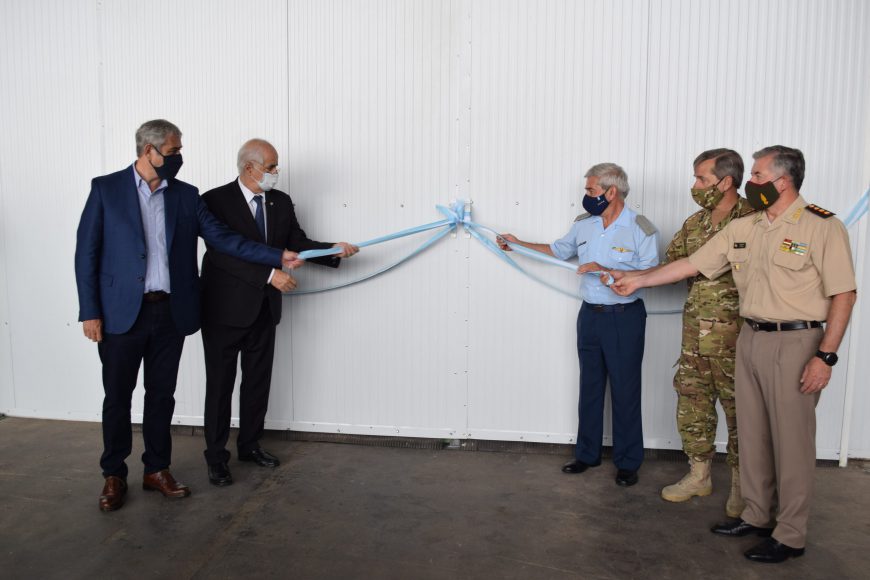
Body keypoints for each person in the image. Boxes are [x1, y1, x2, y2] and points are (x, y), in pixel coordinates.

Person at [610, 146, 857, 563]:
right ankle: (757, 515)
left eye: (758, 174)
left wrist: (826, 357)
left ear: (782, 180)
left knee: (792, 444)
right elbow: (691, 263)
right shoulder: (749, 226)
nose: (751, 182)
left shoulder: (821, 226)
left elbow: (844, 294)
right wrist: (636, 281)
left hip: (797, 343)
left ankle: (791, 534)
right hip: (749, 339)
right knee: (755, 436)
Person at [75, 120, 302, 512]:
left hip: (171, 312)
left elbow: (222, 239)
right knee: (118, 397)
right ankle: (113, 473)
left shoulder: (185, 196)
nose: (179, 158)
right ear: (149, 151)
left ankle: (156, 470)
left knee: (161, 396)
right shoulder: (106, 189)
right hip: (120, 314)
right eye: (174, 151)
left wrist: (275, 255)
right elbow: (86, 254)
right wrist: (90, 311)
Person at [200, 138, 358, 486]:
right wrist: (269, 275)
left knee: (257, 382)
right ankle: (216, 457)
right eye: (271, 167)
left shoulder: (280, 201)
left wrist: (333, 250)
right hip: (224, 310)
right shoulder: (214, 201)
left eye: (276, 166)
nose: (276, 173)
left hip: (263, 309)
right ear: (249, 167)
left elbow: (296, 242)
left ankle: (249, 445)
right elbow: (222, 254)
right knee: (220, 386)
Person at [499, 163, 659, 486]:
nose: (585, 196)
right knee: (590, 386)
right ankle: (587, 454)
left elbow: (652, 276)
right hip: (590, 317)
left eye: (590, 190)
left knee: (625, 391)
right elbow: (558, 251)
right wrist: (518, 244)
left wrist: (610, 271)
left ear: (610, 192)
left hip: (624, 319)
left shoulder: (640, 228)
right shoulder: (584, 226)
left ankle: (628, 463)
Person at [653, 149, 754, 515]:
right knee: (692, 408)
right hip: (694, 340)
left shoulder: (755, 221)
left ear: (725, 182)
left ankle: (745, 487)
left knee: (742, 414)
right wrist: (623, 274)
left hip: (737, 341)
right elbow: (670, 266)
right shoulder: (695, 223)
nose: (694, 186)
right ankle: (699, 476)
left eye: (701, 179)